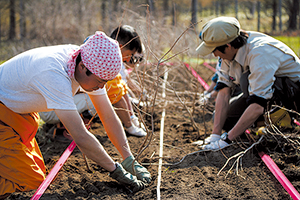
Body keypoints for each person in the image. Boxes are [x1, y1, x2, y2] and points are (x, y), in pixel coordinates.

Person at [0, 31, 151, 198]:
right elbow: (80, 136)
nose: (100, 87)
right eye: (99, 82)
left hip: (17, 115)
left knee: (34, 171)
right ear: (82, 67)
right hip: (3, 115)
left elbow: (108, 116)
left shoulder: (86, 59)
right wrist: (115, 170)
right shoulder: (54, 74)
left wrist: (128, 159)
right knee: (30, 181)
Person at [196, 16, 300, 150]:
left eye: (214, 50)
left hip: (292, 94)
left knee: (246, 80)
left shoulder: (260, 53)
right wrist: (215, 136)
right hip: (264, 94)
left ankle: (281, 125)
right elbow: (223, 91)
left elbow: (258, 104)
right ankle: (259, 123)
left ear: (227, 46)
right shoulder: (229, 53)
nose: (214, 55)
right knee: (227, 119)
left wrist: (227, 140)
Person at [40, 25, 146, 138]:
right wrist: (130, 126)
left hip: (54, 103)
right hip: (49, 109)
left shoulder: (103, 56)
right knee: (101, 101)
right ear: (120, 47)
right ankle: (65, 129)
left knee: (101, 96)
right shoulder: (104, 63)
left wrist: (132, 117)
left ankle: (72, 122)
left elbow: (121, 89)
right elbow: (116, 97)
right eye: (129, 54)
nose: (128, 59)